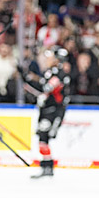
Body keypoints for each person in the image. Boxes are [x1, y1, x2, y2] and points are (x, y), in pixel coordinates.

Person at [29, 47, 71, 179]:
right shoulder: (50, 72)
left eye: (50, 56)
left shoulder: (59, 73)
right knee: (42, 138)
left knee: (44, 137)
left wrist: (29, 79)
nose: (47, 58)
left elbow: (46, 88)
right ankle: (46, 166)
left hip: (53, 111)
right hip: (47, 110)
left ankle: (48, 166)